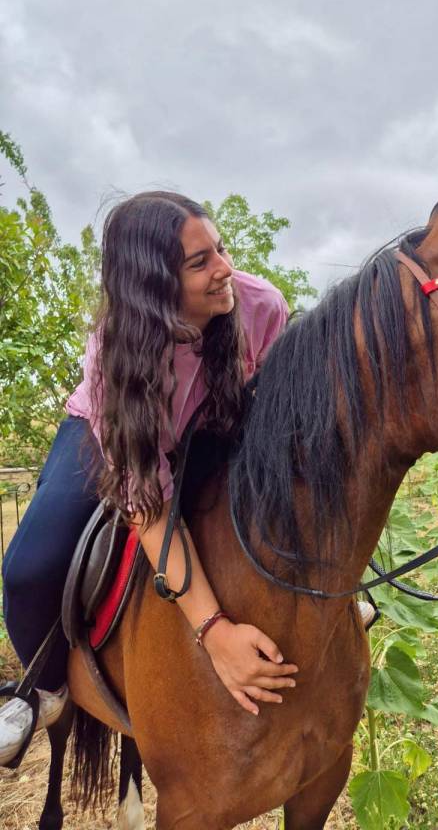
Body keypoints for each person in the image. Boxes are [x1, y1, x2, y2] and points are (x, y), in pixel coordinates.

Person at [1, 190, 304, 766]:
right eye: (201, 263)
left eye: (221, 248)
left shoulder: (262, 307)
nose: (226, 271)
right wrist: (214, 633)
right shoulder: (116, 357)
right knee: (28, 568)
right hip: (111, 434)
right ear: (155, 286)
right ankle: (40, 693)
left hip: (215, 426)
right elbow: (150, 503)